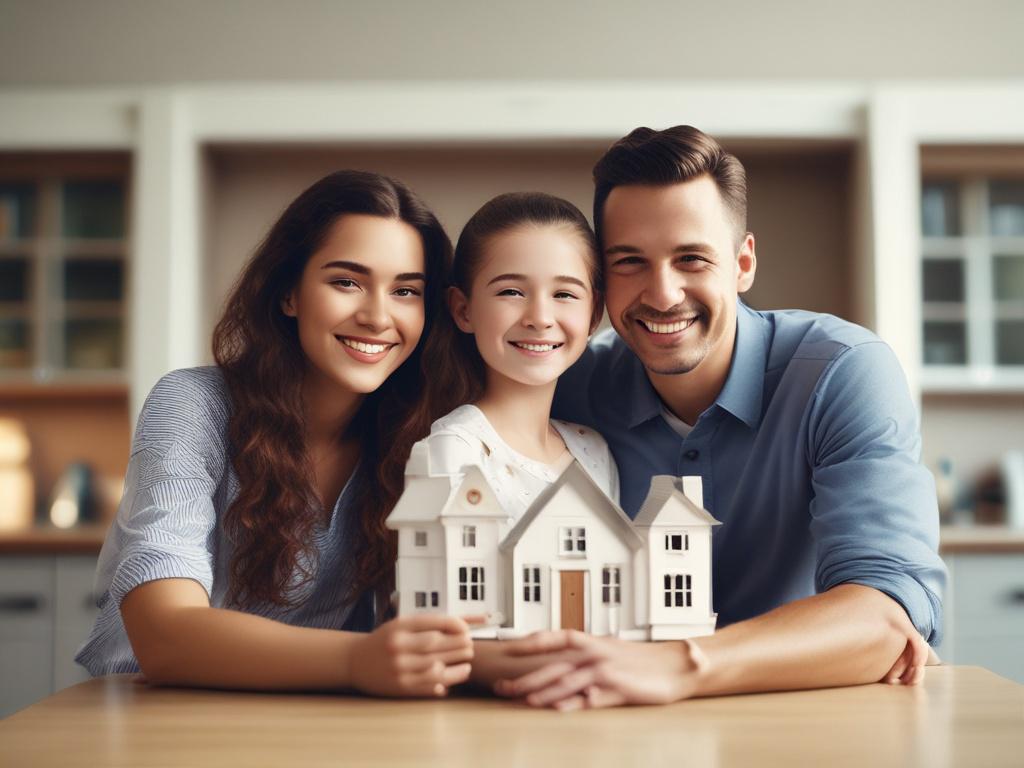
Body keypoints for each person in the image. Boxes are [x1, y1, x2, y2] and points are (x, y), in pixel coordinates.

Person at [486, 126, 946, 710]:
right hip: (614, 721)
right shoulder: (569, 386)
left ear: (742, 262)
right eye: (630, 262)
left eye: (691, 259)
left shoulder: (842, 371)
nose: (662, 293)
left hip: (808, 718)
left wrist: (679, 664)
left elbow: (887, 613)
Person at [76, 170, 476, 698]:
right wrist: (359, 659)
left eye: (405, 291)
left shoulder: (419, 436)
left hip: (307, 715)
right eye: (346, 282)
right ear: (289, 292)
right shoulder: (194, 404)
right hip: (151, 712)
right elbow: (164, 635)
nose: (378, 316)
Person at [415, 192, 616, 515]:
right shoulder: (454, 451)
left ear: (594, 314)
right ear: (463, 310)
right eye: (511, 292)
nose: (540, 318)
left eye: (564, 294)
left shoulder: (594, 451)